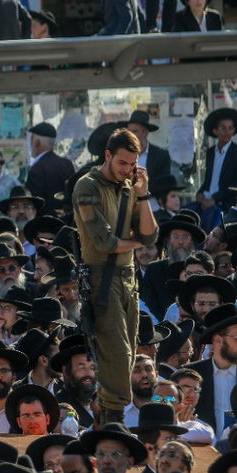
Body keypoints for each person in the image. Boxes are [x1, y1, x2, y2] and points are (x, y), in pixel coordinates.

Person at [72, 128, 158, 423]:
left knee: (130, 351)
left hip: (128, 277)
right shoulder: (87, 186)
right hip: (101, 278)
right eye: (122, 163)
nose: (127, 170)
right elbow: (104, 242)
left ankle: (113, 415)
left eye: (133, 164)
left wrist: (143, 195)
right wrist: (136, 242)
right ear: (107, 155)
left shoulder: (130, 186)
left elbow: (151, 235)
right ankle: (114, 418)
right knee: (116, 352)